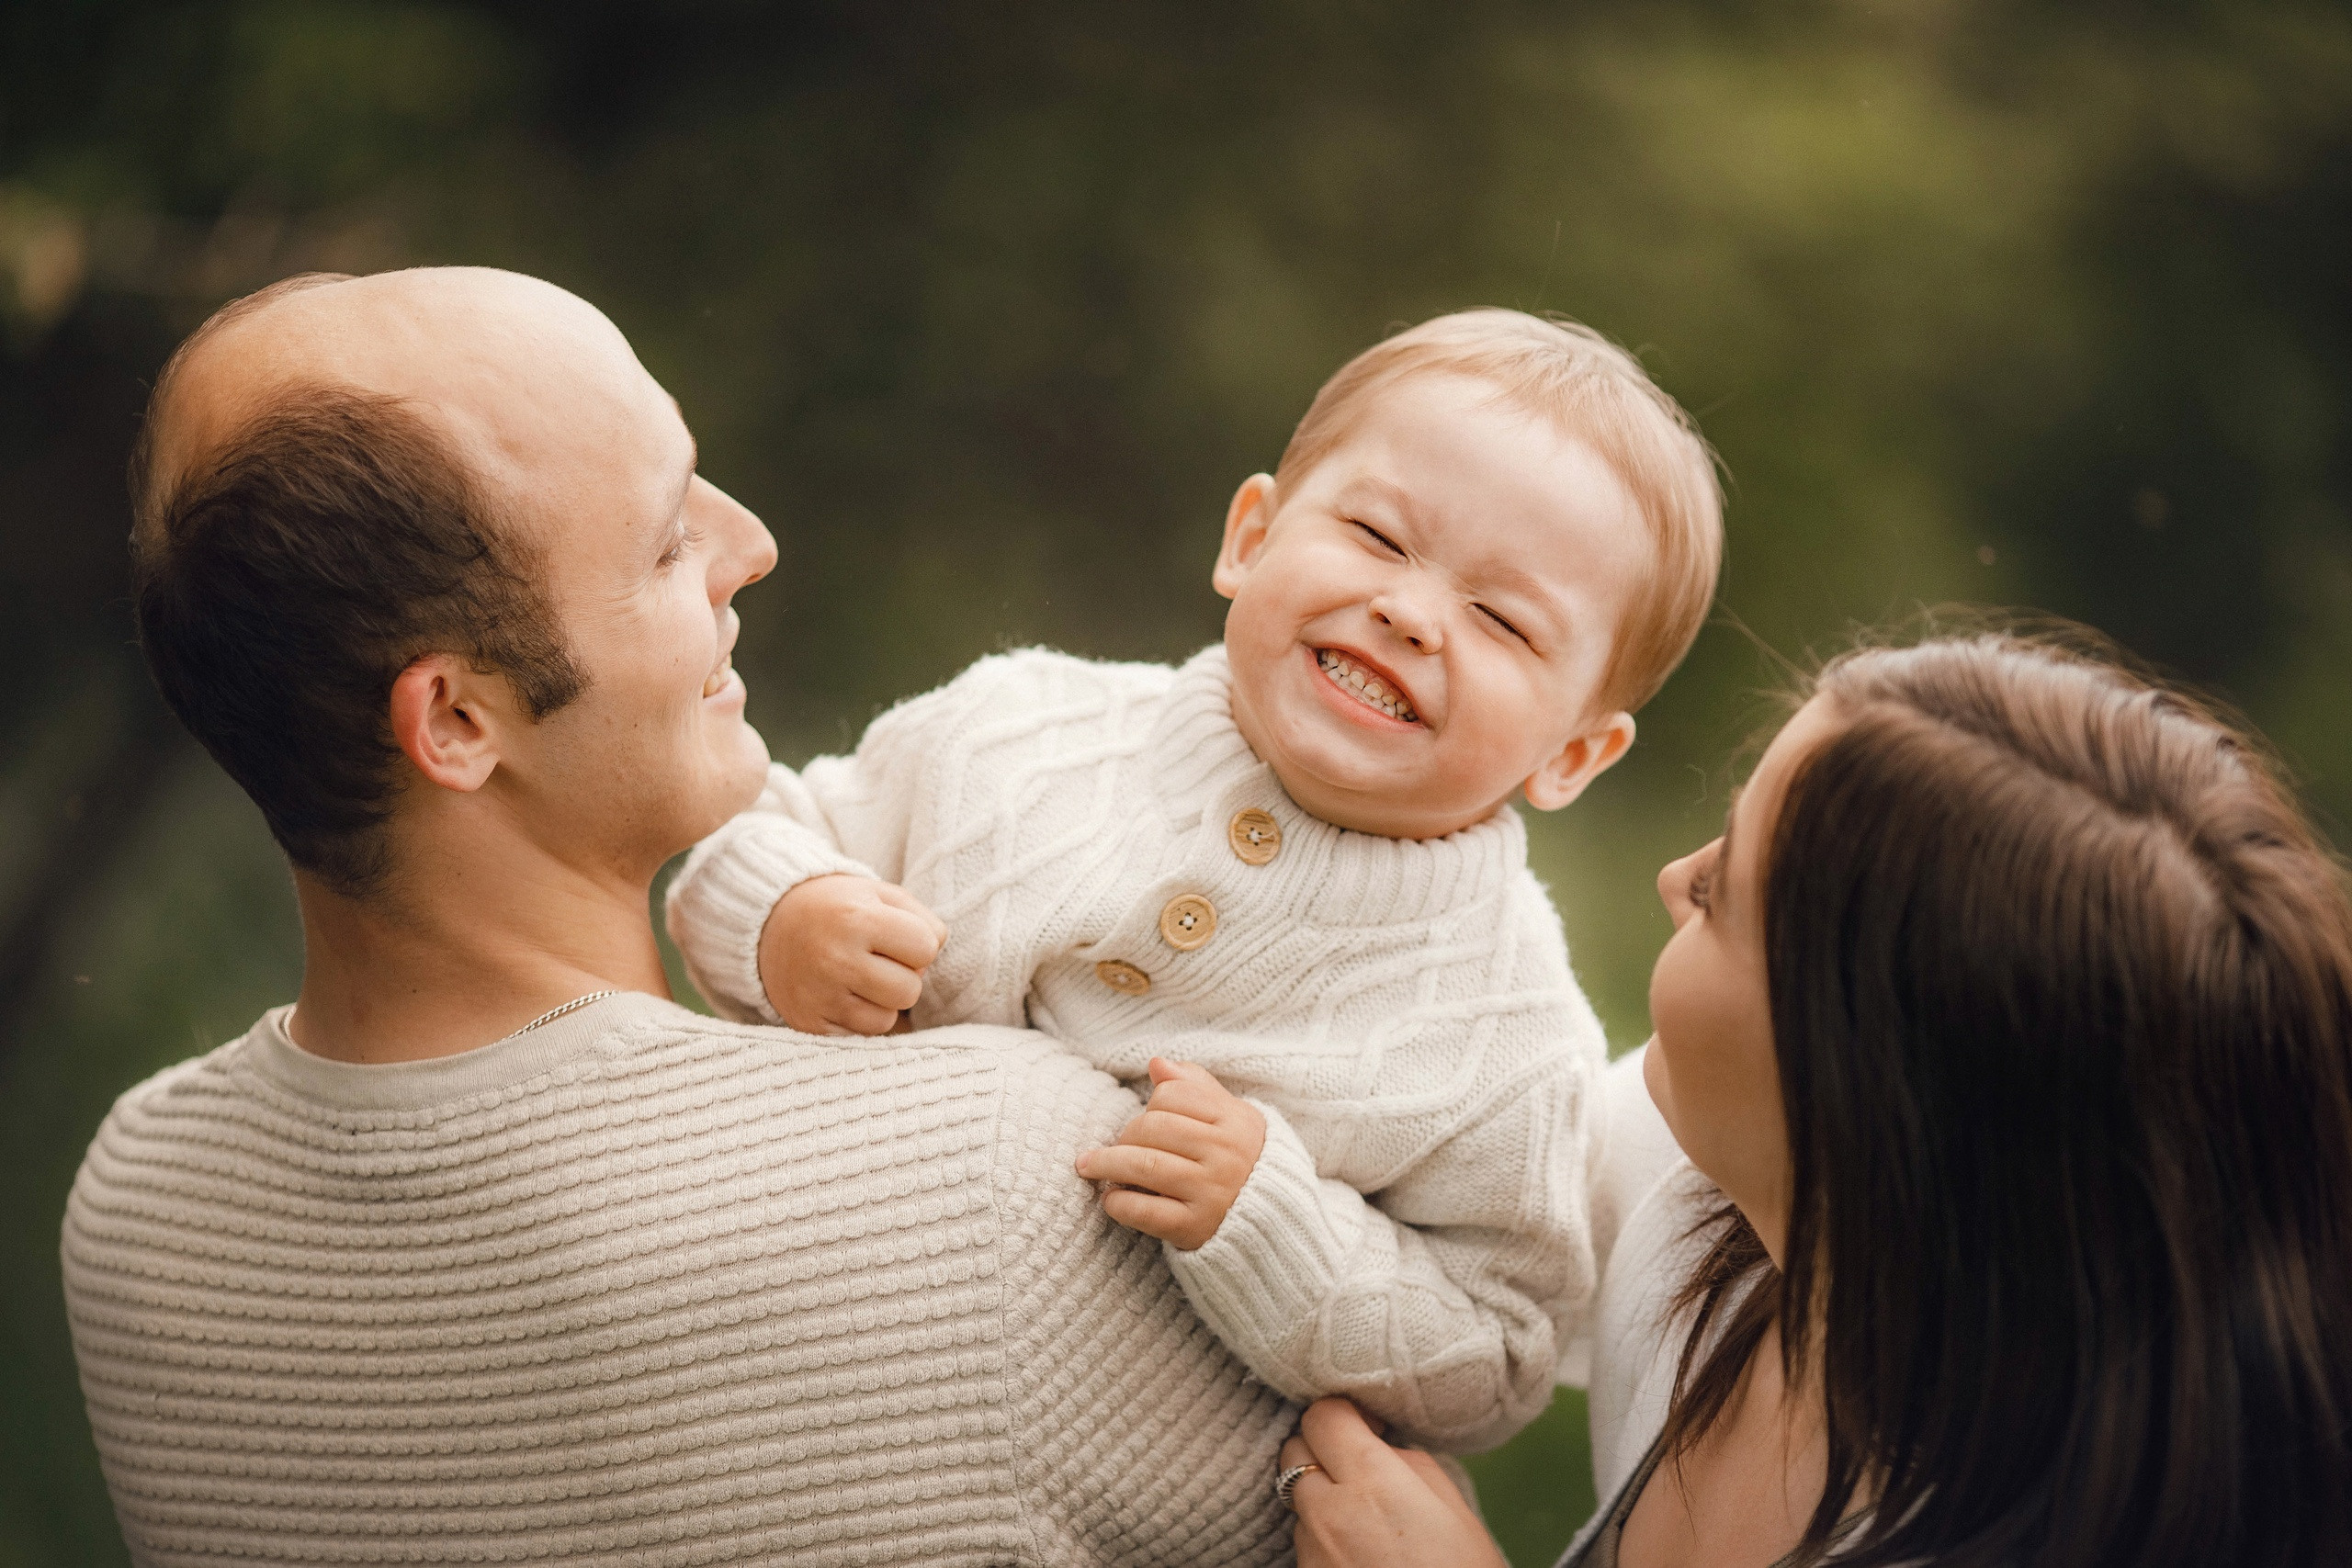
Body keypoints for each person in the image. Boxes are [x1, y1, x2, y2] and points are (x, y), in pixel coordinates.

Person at [59, 267, 1297, 1567]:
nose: (748, 543)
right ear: (459, 721)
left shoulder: (143, 1216)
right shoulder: (999, 1184)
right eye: (664, 544)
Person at [665, 309, 1724, 1453]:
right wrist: (784, 920)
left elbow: (1499, 1359)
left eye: (1501, 619)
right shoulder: (1015, 732)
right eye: (1377, 535)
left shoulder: (1504, 1039)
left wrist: (1273, 1225)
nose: (1410, 613)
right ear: (1250, 537)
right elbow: (743, 835)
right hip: (758, 1369)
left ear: (1573, 753)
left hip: (1099, 1487)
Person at [1279, 629, 2352, 1567]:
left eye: (1721, 892)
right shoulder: (1701, 1191)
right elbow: (1397, 1153)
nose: (1674, 876)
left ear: (1853, 1076)